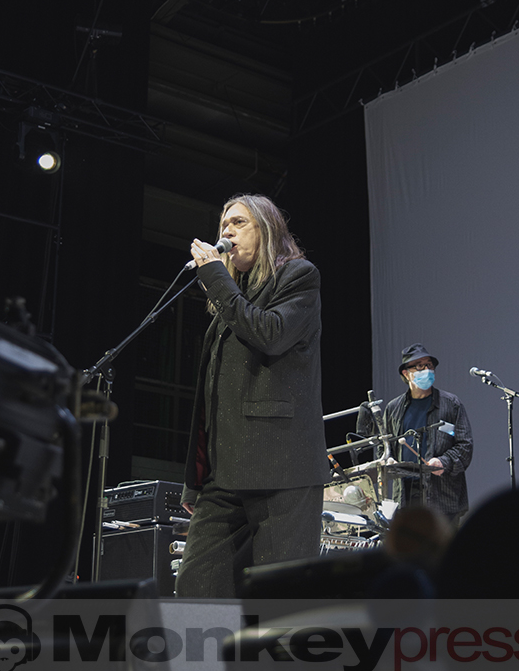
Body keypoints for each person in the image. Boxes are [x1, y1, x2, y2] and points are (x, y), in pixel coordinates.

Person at [175, 194, 330, 598]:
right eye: (223, 224)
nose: (226, 231)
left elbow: (271, 334)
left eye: (239, 222)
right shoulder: (228, 308)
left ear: (268, 230)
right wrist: (196, 480)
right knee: (195, 584)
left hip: (283, 469)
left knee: (279, 601)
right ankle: (202, 664)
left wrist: (216, 277)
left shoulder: (298, 277)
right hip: (224, 476)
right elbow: (209, 400)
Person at [357, 343, 473, 527]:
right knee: (411, 553)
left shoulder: (451, 404)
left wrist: (444, 461)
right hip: (406, 495)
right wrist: (388, 459)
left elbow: (465, 446)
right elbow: (383, 446)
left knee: (444, 553)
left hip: (442, 495)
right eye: (420, 366)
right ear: (406, 373)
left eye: (429, 365)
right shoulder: (393, 408)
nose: (427, 370)